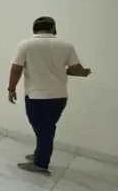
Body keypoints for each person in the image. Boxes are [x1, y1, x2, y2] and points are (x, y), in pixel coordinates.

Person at [7, 16, 91, 175]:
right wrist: (81, 72)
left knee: (43, 130)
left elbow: (16, 69)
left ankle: (41, 164)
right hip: (60, 97)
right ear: (53, 28)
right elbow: (77, 70)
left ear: (34, 28)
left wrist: (11, 89)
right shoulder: (66, 45)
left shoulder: (25, 45)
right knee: (47, 129)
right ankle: (39, 154)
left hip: (37, 97)